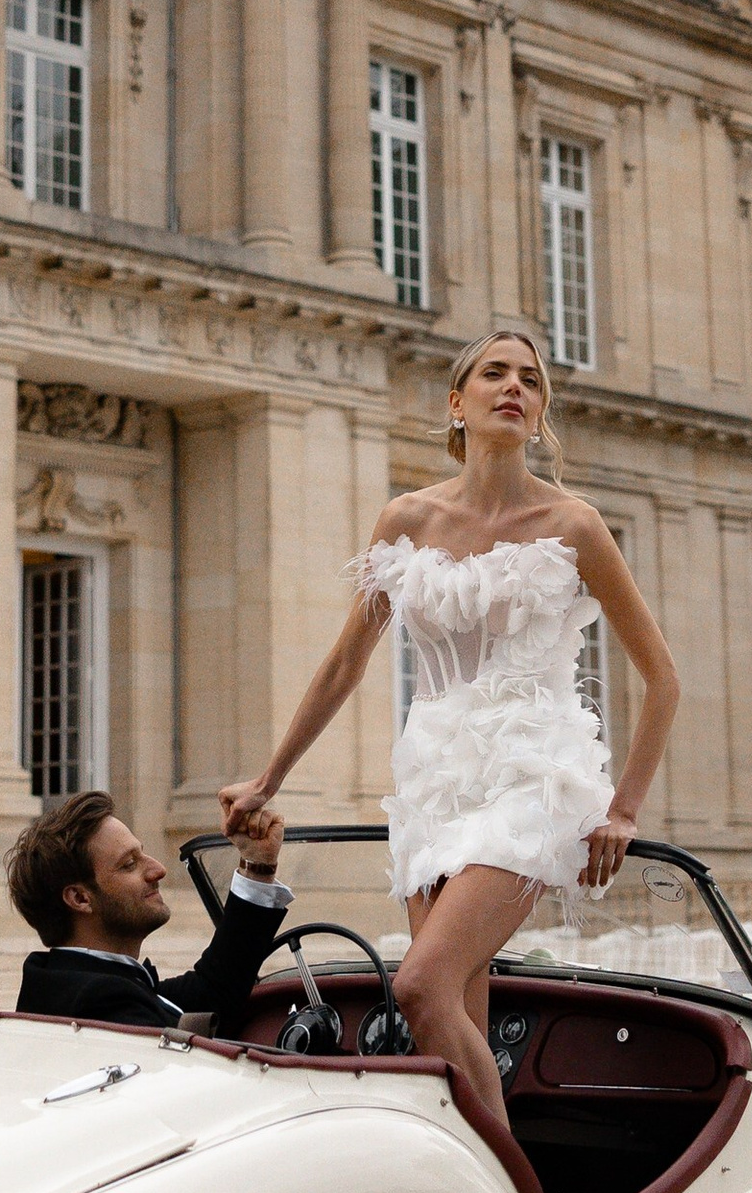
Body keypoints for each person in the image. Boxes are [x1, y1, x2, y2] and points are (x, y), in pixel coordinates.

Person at [219, 322, 680, 1143]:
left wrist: (624, 809)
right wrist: (269, 781)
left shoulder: (573, 526)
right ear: (456, 402)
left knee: (419, 987)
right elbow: (342, 666)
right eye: (496, 374)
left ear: (539, 413)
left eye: (531, 381)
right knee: (450, 1022)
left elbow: (663, 681)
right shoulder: (406, 519)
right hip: (433, 782)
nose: (515, 387)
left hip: (535, 776)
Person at [8, 792, 294, 1035]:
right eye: (129, 864)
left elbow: (212, 991)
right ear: (81, 898)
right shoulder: (100, 1005)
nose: (158, 869)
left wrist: (258, 864)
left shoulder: (74, 982)